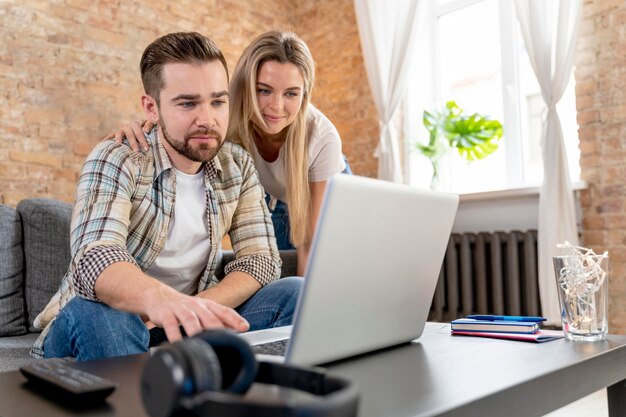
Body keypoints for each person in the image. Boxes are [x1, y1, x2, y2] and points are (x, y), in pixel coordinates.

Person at [30, 32, 302, 361]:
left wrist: (194, 310)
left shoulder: (238, 166)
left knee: (295, 292)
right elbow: (96, 258)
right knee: (103, 313)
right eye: (187, 103)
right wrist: (163, 302)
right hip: (104, 320)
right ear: (151, 107)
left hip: (186, 327)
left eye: (217, 101)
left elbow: (261, 260)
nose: (207, 119)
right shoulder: (119, 157)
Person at [107, 31, 350, 276]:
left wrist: (303, 307)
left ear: (305, 94)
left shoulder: (322, 138)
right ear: (246, 86)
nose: (276, 106)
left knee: (327, 270)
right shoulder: (224, 114)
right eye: (264, 90)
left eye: (291, 93)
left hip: (320, 193)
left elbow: (311, 241)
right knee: (276, 274)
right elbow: (180, 126)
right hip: (270, 198)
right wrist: (141, 128)